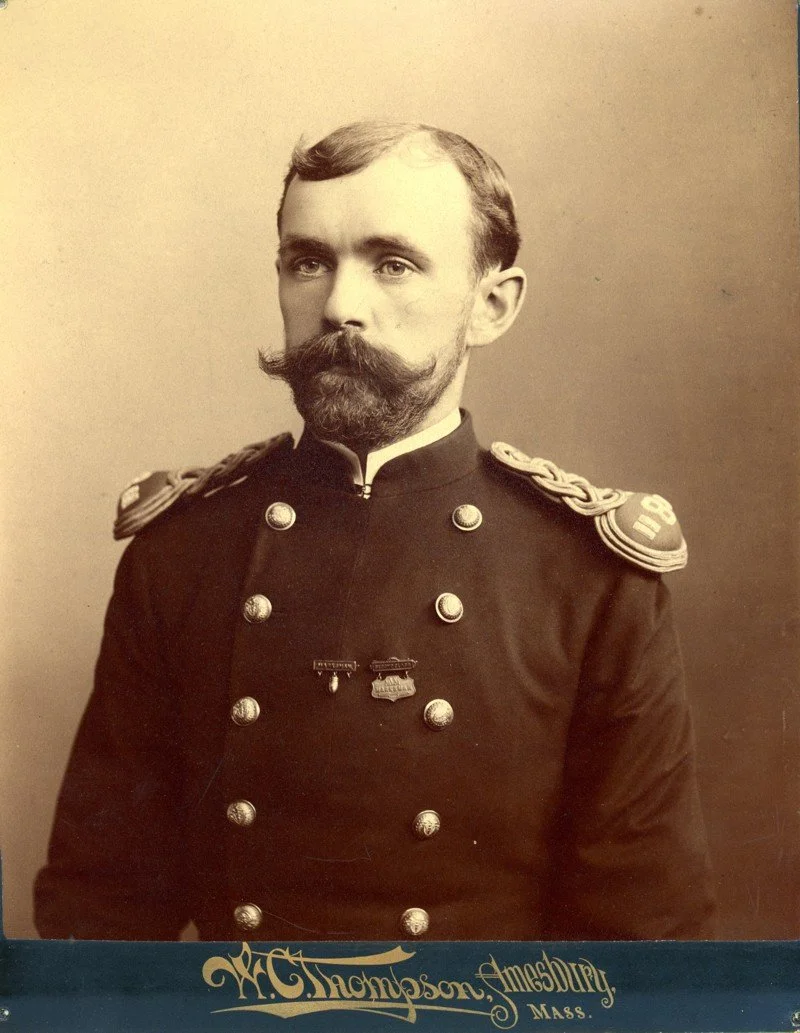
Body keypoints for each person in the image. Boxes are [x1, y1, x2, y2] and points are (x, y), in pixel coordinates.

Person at [34, 120, 716, 942]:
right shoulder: (179, 556)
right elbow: (99, 919)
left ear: (492, 305)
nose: (338, 307)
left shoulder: (590, 578)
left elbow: (647, 943)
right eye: (307, 262)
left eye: (392, 264)